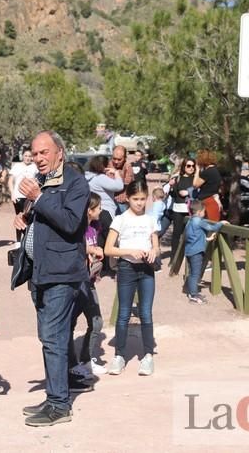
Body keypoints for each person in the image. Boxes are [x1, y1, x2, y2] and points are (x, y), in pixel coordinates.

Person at [13, 130, 89, 427]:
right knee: (49, 338)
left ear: (60, 152)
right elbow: (44, 218)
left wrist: (38, 197)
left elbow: (71, 223)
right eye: (34, 153)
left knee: (54, 339)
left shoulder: (75, 182)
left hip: (61, 273)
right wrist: (24, 218)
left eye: (44, 152)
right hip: (40, 272)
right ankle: (54, 396)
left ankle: (59, 405)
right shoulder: (43, 181)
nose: (38, 158)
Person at [104, 180, 159, 377]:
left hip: (146, 269)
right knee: (124, 313)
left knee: (145, 312)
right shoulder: (120, 219)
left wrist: (154, 251)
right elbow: (108, 249)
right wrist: (130, 252)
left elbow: (156, 244)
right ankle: (119, 354)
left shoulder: (150, 219)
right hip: (127, 268)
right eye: (135, 199)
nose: (139, 203)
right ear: (127, 198)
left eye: (143, 199)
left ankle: (148, 355)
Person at [69, 193, 107, 379]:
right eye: (98, 207)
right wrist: (91, 250)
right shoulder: (78, 228)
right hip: (76, 284)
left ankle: (86, 358)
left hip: (89, 282)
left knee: (97, 322)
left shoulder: (95, 227)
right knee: (69, 323)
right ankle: (71, 364)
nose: (101, 210)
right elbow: (74, 245)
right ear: (89, 211)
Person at [184, 200, 227, 304]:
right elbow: (211, 227)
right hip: (196, 252)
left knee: (191, 272)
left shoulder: (190, 221)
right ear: (199, 212)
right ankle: (194, 295)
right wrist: (221, 223)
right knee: (195, 273)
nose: (204, 213)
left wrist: (206, 239)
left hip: (189, 250)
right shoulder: (199, 221)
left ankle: (191, 291)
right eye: (204, 211)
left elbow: (192, 236)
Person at [85, 155, 123, 250]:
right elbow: (119, 186)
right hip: (106, 212)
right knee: (110, 240)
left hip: (96, 210)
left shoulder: (88, 176)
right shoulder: (100, 178)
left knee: (99, 239)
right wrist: (116, 174)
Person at [8, 147, 38, 247]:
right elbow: (10, 181)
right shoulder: (17, 166)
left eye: (30, 156)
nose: (27, 158)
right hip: (18, 196)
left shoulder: (35, 167)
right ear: (22, 156)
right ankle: (18, 241)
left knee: (30, 218)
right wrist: (12, 194)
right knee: (19, 217)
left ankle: (27, 239)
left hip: (30, 196)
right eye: (26, 156)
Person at [168, 158, 195, 263]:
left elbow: (199, 190)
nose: (191, 168)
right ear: (184, 166)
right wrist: (171, 186)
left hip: (191, 210)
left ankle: (190, 258)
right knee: (176, 234)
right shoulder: (177, 178)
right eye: (188, 166)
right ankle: (174, 259)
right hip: (178, 209)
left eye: (193, 166)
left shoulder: (196, 179)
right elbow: (173, 194)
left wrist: (188, 192)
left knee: (190, 234)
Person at [192, 149, 222, 221]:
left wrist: (197, 170)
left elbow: (195, 185)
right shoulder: (214, 170)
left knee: (211, 226)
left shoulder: (208, 172)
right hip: (211, 200)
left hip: (209, 201)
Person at [111, 145, 134, 214]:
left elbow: (125, 182)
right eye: (114, 159)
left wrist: (116, 174)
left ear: (124, 158)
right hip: (109, 202)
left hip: (122, 203)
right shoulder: (109, 165)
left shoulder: (127, 166)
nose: (116, 162)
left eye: (119, 159)